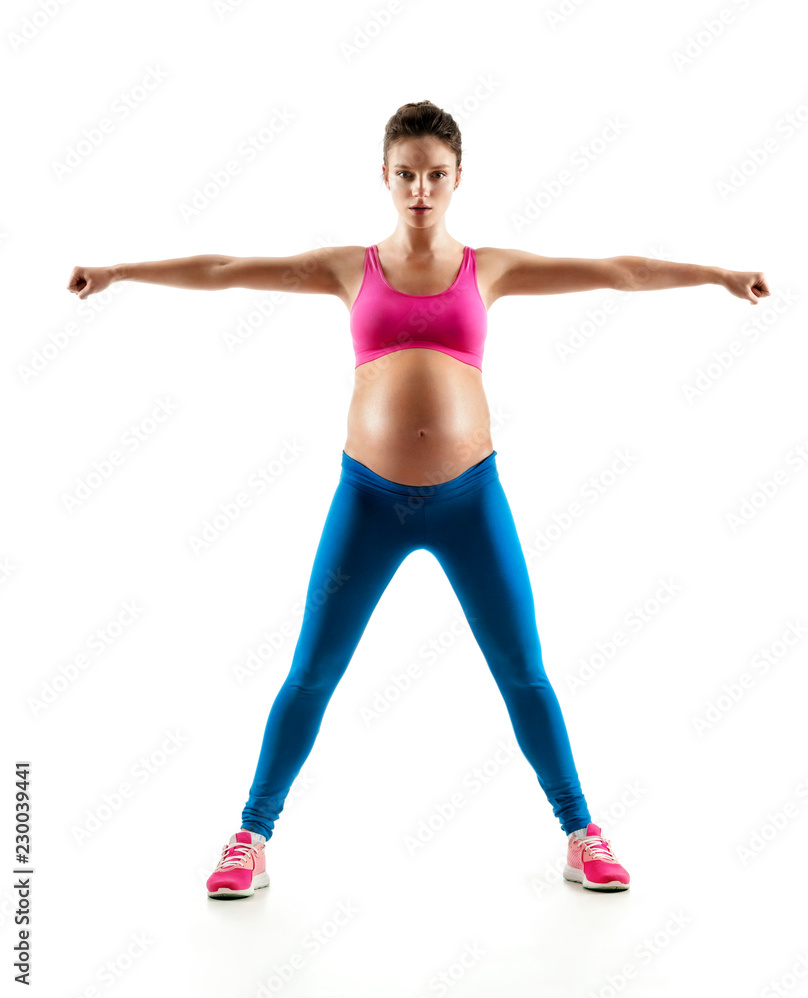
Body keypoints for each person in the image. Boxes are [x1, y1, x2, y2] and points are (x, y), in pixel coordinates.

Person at [67, 100, 769, 900]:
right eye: (407, 175)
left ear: (459, 178)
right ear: (385, 177)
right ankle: (250, 838)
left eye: (437, 175)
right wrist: (119, 272)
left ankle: (580, 833)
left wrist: (718, 276)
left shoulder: (491, 268)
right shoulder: (347, 267)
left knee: (523, 673)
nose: (422, 190)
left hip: (471, 501)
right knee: (312, 672)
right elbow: (228, 269)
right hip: (367, 500)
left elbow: (618, 270)